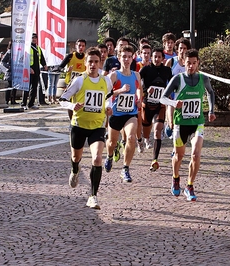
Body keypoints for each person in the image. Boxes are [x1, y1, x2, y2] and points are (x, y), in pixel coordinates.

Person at [59, 47, 113, 209]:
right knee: (76, 157)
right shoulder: (79, 80)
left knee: (97, 158)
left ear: (100, 63)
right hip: (79, 125)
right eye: (90, 62)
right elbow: (62, 99)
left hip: (97, 126)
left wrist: (108, 107)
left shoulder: (106, 80)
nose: (93, 65)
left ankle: (93, 196)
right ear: (85, 63)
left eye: (96, 62)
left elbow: (108, 96)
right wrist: (72, 105)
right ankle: (75, 170)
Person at [160, 49, 216, 201]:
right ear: (183, 62)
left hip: (197, 122)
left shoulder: (203, 78)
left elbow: (210, 92)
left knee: (196, 154)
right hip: (180, 123)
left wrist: (211, 110)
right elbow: (162, 98)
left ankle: (190, 185)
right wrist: (173, 102)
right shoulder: (178, 79)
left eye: (194, 63)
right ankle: (175, 178)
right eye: (188, 63)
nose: (191, 66)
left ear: (198, 63)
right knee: (179, 156)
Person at [104, 45, 142, 182]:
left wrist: (139, 99)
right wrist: (120, 90)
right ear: (119, 58)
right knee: (111, 142)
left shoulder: (136, 75)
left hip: (130, 113)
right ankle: (109, 156)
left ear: (133, 58)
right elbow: (106, 93)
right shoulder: (114, 75)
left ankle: (125, 168)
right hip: (116, 113)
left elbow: (138, 89)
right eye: (123, 57)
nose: (126, 59)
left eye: (129, 57)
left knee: (131, 137)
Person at [140, 47, 172, 170]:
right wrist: (146, 90)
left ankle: (155, 160)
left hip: (160, 104)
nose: (157, 59)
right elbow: (138, 82)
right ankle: (143, 139)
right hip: (147, 104)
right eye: (155, 57)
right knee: (147, 132)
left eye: (159, 57)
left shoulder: (167, 70)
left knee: (158, 129)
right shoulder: (146, 69)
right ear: (151, 58)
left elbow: (173, 83)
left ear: (163, 59)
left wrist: (169, 93)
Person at [58, 38, 87, 118]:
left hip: (82, 84)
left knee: (81, 101)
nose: (81, 47)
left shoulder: (86, 57)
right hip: (70, 84)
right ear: (76, 46)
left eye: (83, 46)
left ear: (85, 47)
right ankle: (71, 120)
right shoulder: (71, 56)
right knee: (71, 103)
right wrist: (66, 70)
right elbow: (60, 67)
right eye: (79, 45)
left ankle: (81, 118)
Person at [21, 33, 48, 110]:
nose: (34, 39)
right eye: (33, 38)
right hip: (29, 70)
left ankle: (31, 104)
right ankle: (23, 103)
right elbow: (25, 59)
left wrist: (44, 65)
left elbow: (41, 58)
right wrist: (29, 68)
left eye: (35, 38)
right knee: (26, 88)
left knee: (34, 88)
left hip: (36, 70)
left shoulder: (38, 48)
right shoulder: (28, 48)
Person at [1, 41, 17, 105]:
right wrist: (8, 66)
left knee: (15, 87)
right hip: (9, 73)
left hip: (16, 71)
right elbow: (3, 61)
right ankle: (6, 100)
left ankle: (13, 100)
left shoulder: (17, 52)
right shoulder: (9, 52)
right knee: (9, 87)